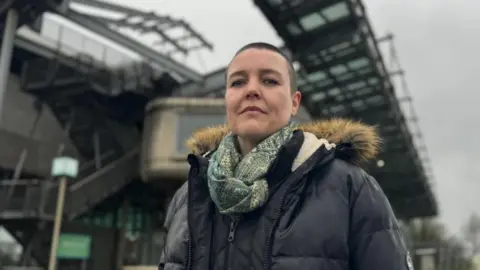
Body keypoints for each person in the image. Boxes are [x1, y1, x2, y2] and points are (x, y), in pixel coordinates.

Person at [159, 42, 413, 270]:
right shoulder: (187, 197)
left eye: (269, 81)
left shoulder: (352, 189)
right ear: (227, 99)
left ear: (294, 102)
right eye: (237, 82)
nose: (251, 90)